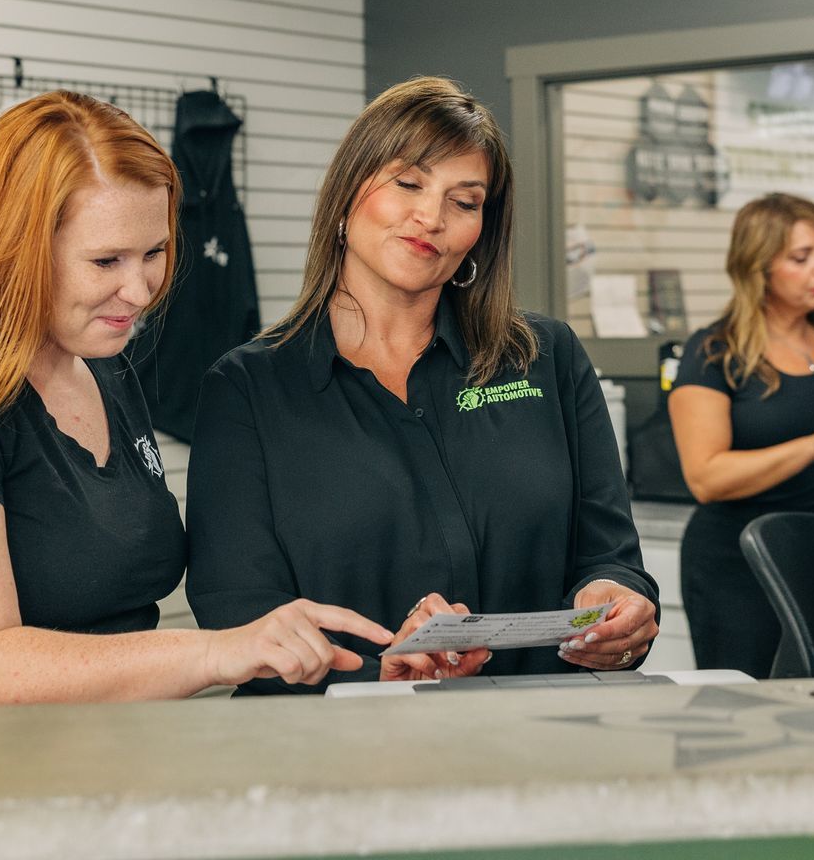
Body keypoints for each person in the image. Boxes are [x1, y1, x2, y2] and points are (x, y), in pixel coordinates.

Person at [0, 91, 390, 707]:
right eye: (106, 261)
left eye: (154, 252)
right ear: (14, 250)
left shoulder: (104, 370)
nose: (139, 289)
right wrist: (211, 652)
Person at [186, 77, 659, 694]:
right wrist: (379, 663)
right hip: (337, 757)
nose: (430, 217)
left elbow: (610, 556)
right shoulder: (247, 388)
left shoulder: (546, 359)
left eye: (464, 202)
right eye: (408, 183)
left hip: (542, 738)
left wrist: (616, 606)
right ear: (346, 193)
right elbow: (237, 612)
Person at [667, 193, 814, 677]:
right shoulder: (715, 351)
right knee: (745, 711)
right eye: (801, 258)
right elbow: (706, 477)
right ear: (758, 268)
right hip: (740, 563)